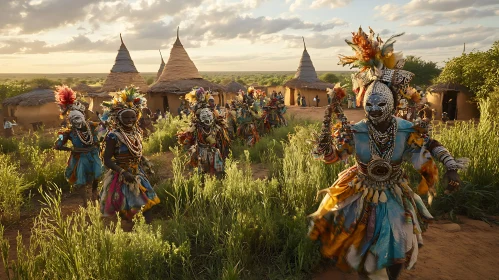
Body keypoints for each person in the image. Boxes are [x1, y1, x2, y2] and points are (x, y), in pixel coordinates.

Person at [309, 28, 467, 280]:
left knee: (399, 239)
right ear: (362, 103)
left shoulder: (406, 130)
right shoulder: (355, 131)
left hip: (393, 191)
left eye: (381, 104)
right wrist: (327, 147)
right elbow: (335, 157)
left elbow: (431, 145)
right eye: (369, 104)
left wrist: (450, 167)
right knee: (357, 242)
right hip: (359, 189)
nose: (373, 109)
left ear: (393, 103)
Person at [99, 86, 160, 222]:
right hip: (121, 175)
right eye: (126, 118)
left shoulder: (136, 132)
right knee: (125, 205)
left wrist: (144, 161)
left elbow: (136, 152)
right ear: (118, 119)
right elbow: (106, 159)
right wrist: (122, 172)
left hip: (137, 172)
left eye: (132, 117)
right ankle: (128, 233)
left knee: (146, 203)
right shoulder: (113, 136)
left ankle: (146, 231)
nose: (130, 120)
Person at [53, 85, 103, 206]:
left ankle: (94, 192)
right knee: (81, 182)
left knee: (97, 175)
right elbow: (57, 145)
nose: (77, 121)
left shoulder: (91, 126)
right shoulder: (66, 132)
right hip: (80, 158)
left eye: (78, 118)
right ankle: (85, 202)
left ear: (83, 117)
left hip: (93, 154)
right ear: (70, 120)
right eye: (73, 119)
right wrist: (68, 148)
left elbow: (102, 130)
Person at [178, 87, 231, 178]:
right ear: (197, 96)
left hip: (211, 130)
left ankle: (221, 170)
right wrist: (195, 123)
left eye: (202, 95)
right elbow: (194, 117)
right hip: (199, 129)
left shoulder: (208, 106)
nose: (201, 97)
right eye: (199, 95)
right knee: (191, 140)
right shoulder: (195, 107)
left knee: (221, 135)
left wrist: (217, 120)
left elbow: (215, 115)